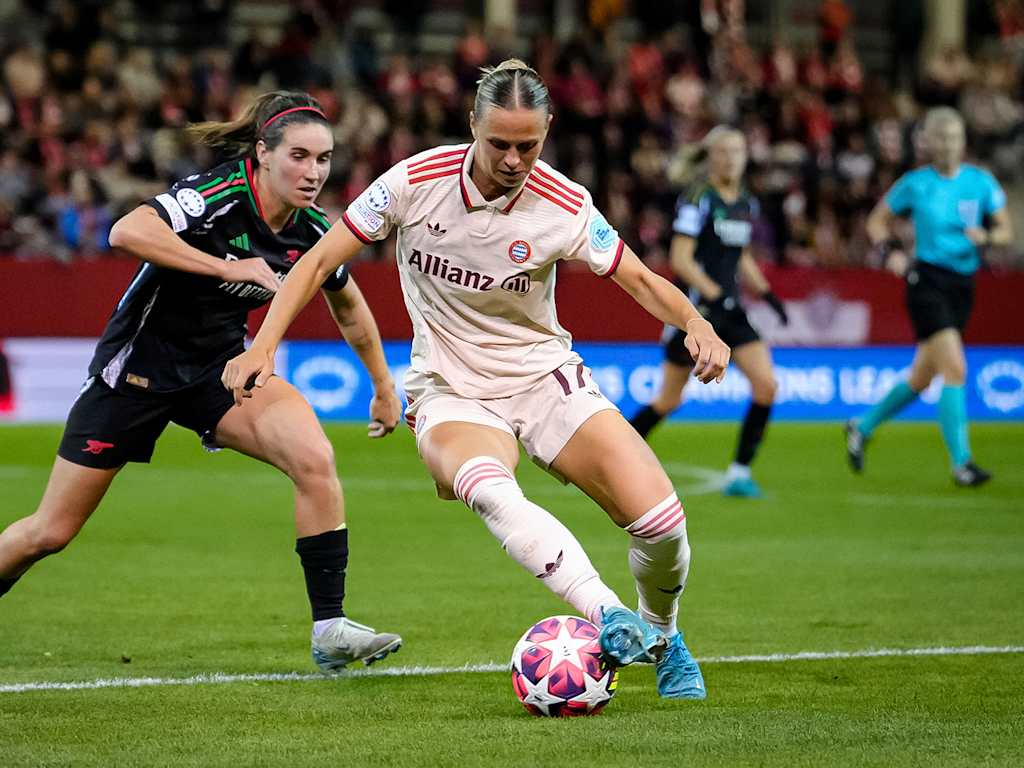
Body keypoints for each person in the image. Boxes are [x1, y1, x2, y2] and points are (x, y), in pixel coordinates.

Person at [222, 60, 731, 700]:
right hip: (449, 389)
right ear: (472, 126)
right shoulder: (413, 182)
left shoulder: (566, 204)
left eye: (529, 145)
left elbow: (638, 278)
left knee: (662, 526)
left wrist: (696, 323)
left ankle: (662, 638)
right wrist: (264, 345)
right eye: (500, 144)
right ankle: (605, 612)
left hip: (545, 378)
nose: (515, 160)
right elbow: (320, 258)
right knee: (492, 491)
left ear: (546, 133)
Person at [0, 91, 404, 672]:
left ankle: (331, 627)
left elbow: (349, 306)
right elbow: (125, 232)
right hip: (136, 370)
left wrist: (383, 385)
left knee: (313, 456)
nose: (314, 172)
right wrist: (224, 266)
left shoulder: (312, 229)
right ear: (262, 153)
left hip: (220, 370)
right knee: (51, 532)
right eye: (299, 156)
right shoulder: (216, 194)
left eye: (324, 158)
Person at [846, 107, 1012, 486]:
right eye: (940, 137)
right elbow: (876, 221)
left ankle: (862, 426)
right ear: (928, 142)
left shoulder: (981, 183)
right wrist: (892, 253)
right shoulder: (915, 183)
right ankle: (962, 464)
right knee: (954, 368)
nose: (947, 144)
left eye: (953, 137)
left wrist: (987, 237)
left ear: (963, 141)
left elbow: (1006, 231)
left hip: (962, 285)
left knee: (923, 376)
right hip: (926, 281)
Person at [629, 127, 788, 498]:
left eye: (737, 151)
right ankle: (612, 454)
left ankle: (739, 473)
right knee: (669, 400)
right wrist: (717, 297)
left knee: (767, 385)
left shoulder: (746, 201)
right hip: (697, 312)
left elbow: (742, 256)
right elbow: (680, 260)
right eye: (724, 152)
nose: (731, 158)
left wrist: (766, 293)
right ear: (711, 157)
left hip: (730, 310)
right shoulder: (698, 199)